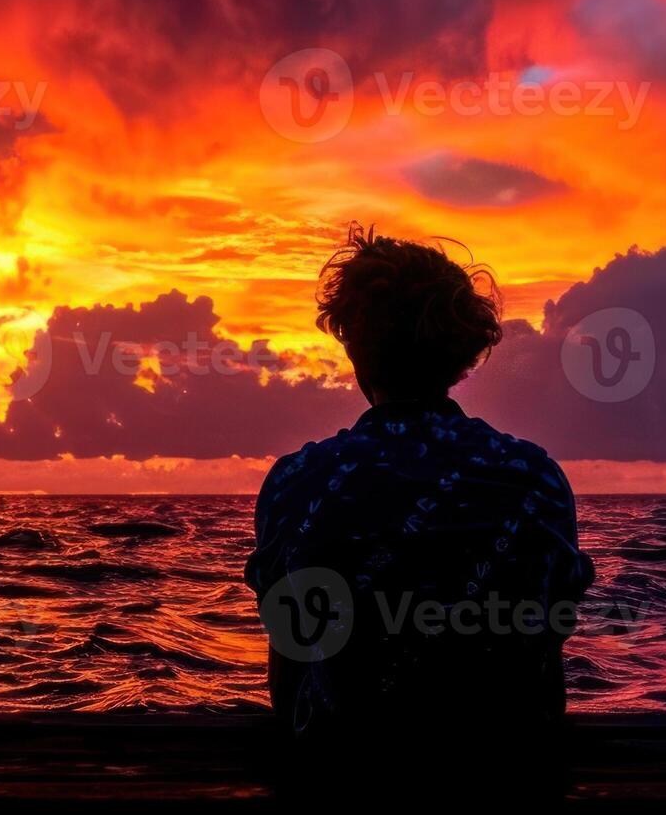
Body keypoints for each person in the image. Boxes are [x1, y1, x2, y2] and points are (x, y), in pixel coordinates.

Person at [246, 227, 596, 762]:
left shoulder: (298, 482)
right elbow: (546, 646)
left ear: (353, 345)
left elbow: (288, 673)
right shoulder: (533, 477)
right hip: (511, 787)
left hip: (336, 788)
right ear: (463, 353)